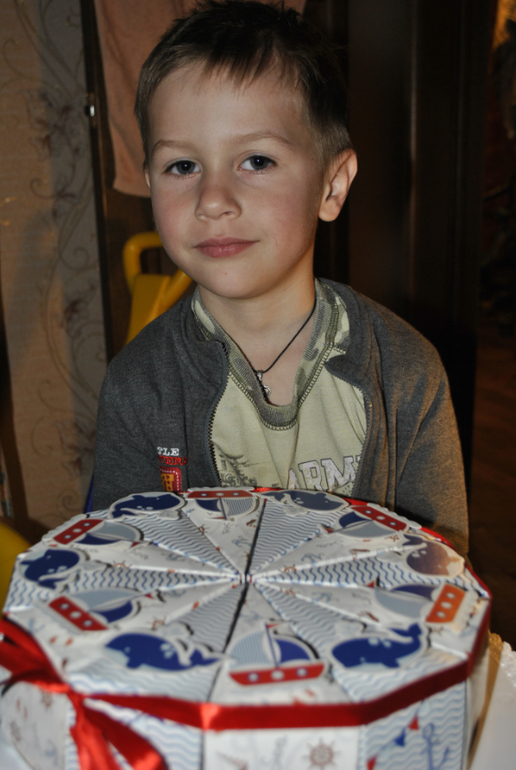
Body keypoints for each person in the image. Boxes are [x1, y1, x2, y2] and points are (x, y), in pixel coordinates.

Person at [93, 0, 468, 556]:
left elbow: (441, 565)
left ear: (332, 186)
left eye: (257, 161)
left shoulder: (408, 372)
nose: (213, 199)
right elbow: (120, 560)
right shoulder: (137, 386)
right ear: (150, 183)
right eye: (182, 166)